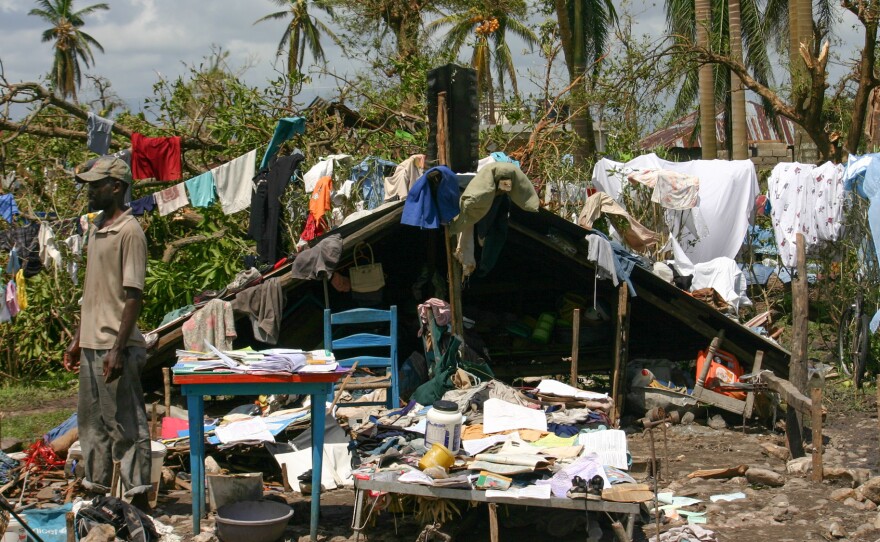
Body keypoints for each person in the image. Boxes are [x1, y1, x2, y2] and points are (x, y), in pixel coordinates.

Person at [63, 156, 152, 510]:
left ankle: (139, 499)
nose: (90, 191)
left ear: (116, 187)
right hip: (91, 343)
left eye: (96, 185)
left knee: (126, 427)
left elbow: (133, 295)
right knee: (91, 426)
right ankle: (98, 495)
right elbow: (94, 291)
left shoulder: (130, 232)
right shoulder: (98, 228)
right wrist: (76, 339)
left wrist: (117, 348)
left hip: (117, 345)